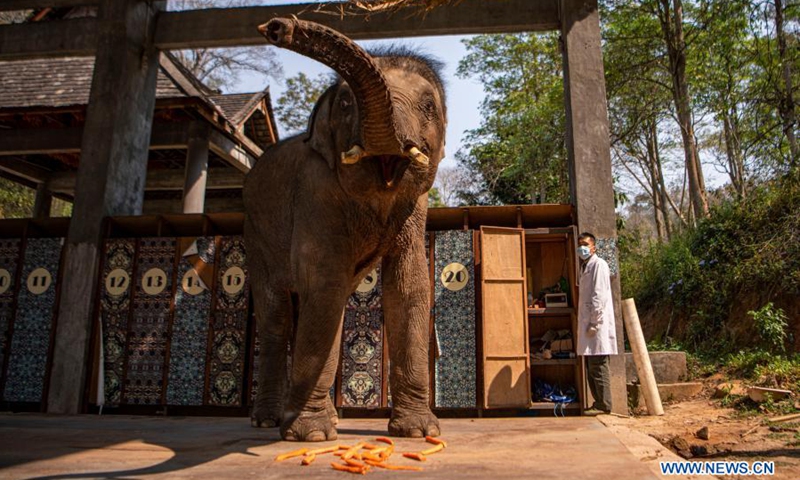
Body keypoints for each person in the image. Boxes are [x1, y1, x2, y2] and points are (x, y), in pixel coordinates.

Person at [576, 232, 617, 415]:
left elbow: (599, 296)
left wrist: (594, 322)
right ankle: (598, 402)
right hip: (589, 325)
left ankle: (604, 404)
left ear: (593, 247)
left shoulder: (599, 265)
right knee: (591, 367)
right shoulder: (585, 267)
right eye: (580, 244)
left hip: (597, 326)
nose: (582, 247)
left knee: (598, 366)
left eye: (585, 244)